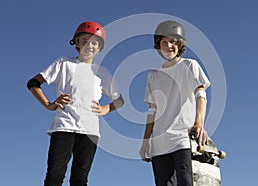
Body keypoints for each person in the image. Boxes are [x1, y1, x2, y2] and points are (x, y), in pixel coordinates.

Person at [27, 21, 124, 186]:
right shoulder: (64, 63)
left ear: (100, 48)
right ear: (77, 43)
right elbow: (33, 83)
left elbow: (119, 100)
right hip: (64, 126)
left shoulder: (102, 72)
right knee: (54, 176)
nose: (89, 45)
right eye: (84, 41)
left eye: (94, 42)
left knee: (80, 179)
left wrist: (106, 108)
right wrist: (48, 104)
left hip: (90, 131)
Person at [139, 20, 211, 186]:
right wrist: (145, 142)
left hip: (181, 138)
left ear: (180, 45)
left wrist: (199, 123)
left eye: (173, 41)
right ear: (159, 45)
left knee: (186, 182)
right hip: (159, 143)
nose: (169, 45)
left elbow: (201, 94)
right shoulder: (153, 75)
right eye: (164, 42)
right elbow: (152, 111)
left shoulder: (190, 65)